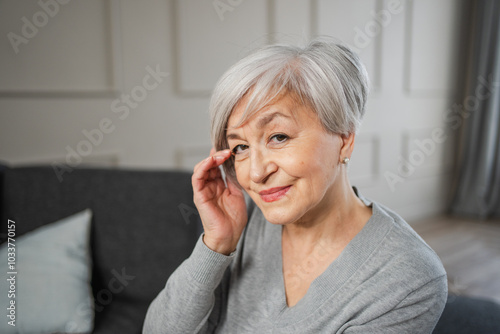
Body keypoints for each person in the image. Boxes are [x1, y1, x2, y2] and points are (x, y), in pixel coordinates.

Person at [143, 38, 447, 333]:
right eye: (240, 148)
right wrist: (216, 245)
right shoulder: (242, 221)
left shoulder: (409, 278)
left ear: (344, 138)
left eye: (278, 137)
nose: (256, 173)